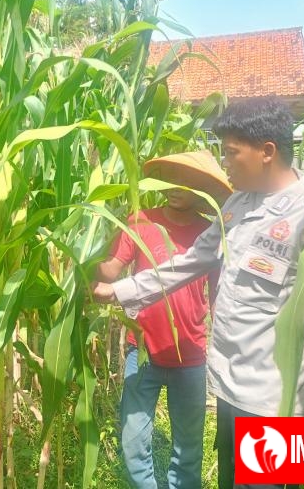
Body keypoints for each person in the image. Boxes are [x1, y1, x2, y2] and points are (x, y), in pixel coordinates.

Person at [93, 97, 304, 489]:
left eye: (231, 154)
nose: (225, 165)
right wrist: (119, 290)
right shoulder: (236, 206)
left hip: (275, 407)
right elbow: (187, 263)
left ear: (267, 151)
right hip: (230, 393)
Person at [97, 151, 231, 489]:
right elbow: (111, 269)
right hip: (141, 351)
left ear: (200, 187)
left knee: (188, 447)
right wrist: (87, 237)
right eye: (170, 178)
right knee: (133, 440)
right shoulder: (140, 221)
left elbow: (218, 297)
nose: (175, 187)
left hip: (190, 353)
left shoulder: (209, 232)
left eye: (186, 180)